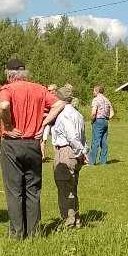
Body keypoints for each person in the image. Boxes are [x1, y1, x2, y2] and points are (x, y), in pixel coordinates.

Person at [0, 58, 64, 239]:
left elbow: (4, 106)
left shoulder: (7, 89)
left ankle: (17, 233)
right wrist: (44, 124)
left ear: (9, 74)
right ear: (24, 73)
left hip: (13, 144)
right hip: (33, 144)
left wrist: (9, 126)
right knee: (33, 190)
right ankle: (34, 233)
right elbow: (59, 104)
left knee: (14, 191)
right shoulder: (40, 89)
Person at [50, 84, 87, 228]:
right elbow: (82, 136)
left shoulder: (64, 114)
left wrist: (79, 150)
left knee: (64, 189)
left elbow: (72, 136)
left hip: (66, 151)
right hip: (75, 153)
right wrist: (83, 152)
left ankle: (68, 221)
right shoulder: (78, 114)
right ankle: (76, 219)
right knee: (72, 187)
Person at [89, 85, 114, 165]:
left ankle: (92, 162)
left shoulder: (96, 100)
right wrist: (106, 118)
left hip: (98, 120)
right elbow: (112, 113)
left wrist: (92, 120)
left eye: (94, 91)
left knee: (95, 141)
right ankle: (103, 161)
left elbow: (93, 112)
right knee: (104, 141)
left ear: (97, 91)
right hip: (105, 121)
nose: (93, 92)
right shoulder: (107, 100)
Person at [40, 84, 58, 160]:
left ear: (55, 90)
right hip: (46, 122)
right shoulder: (45, 99)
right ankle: (42, 156)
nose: (49, 91)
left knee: (55, 141)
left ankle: (57, 156)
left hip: (54, 123)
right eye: (48, 90)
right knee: (44, 139)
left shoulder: (58, 99)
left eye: (50, 90)